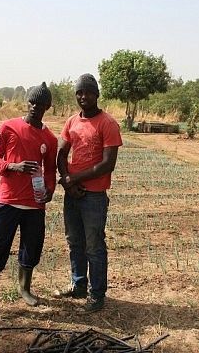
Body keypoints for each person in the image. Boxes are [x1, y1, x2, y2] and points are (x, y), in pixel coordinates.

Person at [0, 82, 58, 320]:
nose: (34, 107)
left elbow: (50, 170)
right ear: (26, 102)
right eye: (31, 102)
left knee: (32, 247)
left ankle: (24, 288)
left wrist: (49, 189)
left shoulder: (49, 138)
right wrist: (13, 166)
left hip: (35, 204)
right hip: (9, 201)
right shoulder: (8, 127)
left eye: (40, 104)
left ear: (47, 107)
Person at [54, 73, 122, 313]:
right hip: (73, 193)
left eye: (88, 92)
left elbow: (107, 164)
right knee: (74, 242)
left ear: (97, 95)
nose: (84, 96)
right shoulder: (72, 121)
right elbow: (61, 154)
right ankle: (79, 285)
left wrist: (75, 178)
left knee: (94, 245)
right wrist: (68, 183)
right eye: (80, 93)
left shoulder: (108, 123)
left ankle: (97, 294)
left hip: (94, 196)